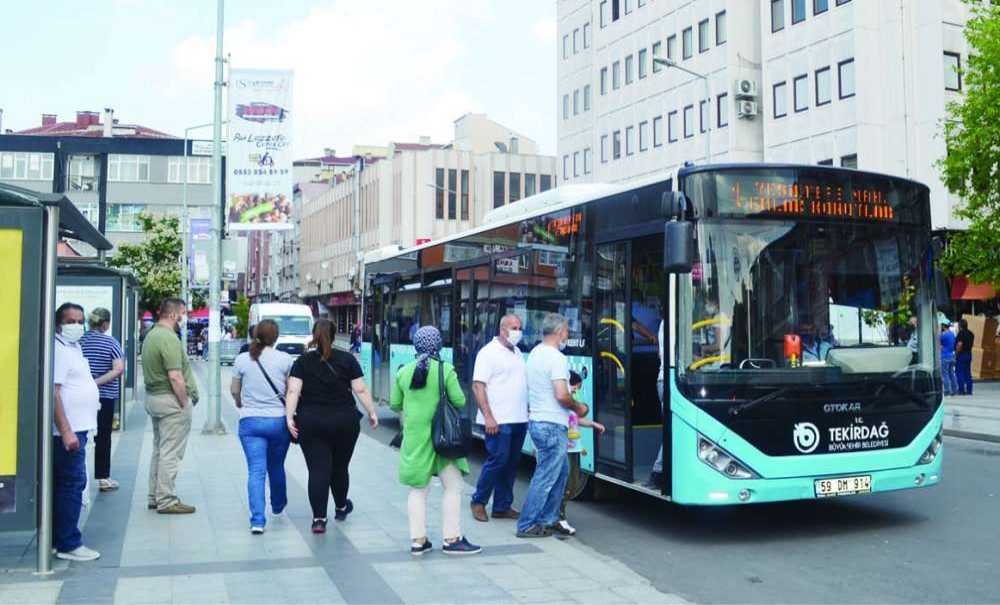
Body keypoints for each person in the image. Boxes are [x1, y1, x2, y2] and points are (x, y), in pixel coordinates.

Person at [390, 326, 481, 556]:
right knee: (453, 487)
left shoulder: (403, 372)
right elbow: (459, 401)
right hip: (443, 438)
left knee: (418, 490)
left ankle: (418, 541)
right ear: (438, 345)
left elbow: (394, 404)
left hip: (415, 439)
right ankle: (452, 539)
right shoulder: (445, 369)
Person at [285, 319, 378, 534]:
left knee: (318, 470)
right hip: (345, 421)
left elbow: (293, 391)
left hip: (311, 421)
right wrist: (372, 412)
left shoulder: (302, 361)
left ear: (314, 335)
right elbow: (360, 389)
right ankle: (341, 506)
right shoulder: (347, 359)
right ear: (335, 335)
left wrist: (289, 417)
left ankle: (319, 519)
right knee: (339, 467)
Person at [516, 313, 589, 538]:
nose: (567, 335)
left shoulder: (536, 353)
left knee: (561, 474)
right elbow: (561, 395)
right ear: (558, 333)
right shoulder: (557, 358)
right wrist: (578, 408)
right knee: (547, 476)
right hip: (551, 424)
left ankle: (550, 518)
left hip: (539, 421)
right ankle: (527, 524)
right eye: (567, 331)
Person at [231, 319, 294, 534]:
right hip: (278, 421)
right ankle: (278, 505)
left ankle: (257, 520)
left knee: (256, 471)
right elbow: (290, 391)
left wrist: (240, 403)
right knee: (276, 466)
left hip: (250, 422)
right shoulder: (285, 360)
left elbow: (234, 390)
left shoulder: (241, 359)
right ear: (276, 337)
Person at [52, 302, 102, 561]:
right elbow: (54, 393)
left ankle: (60, 537)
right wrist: (66, 430)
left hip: (79, 428)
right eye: (70, 321)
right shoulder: (59, 350)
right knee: (72, 484)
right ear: (59, 323)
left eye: (80, 320)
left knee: (68, 484)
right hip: (67, 433)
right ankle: (69, 543)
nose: (76, 325)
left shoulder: (73, 346)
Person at [141, 297, 199, 514]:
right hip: (170, 400)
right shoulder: (168, 338)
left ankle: (154, 495)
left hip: (154, 398)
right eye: (183, 313)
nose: (184, 317)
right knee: (170, 452)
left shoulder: (151, 335)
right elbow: (175, 376)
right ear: (174, 314)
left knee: (159, 449)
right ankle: (166, 499)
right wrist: (184, 402)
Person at [470, 314, 528, 523]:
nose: (518, 331)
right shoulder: (488, 353)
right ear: (502, 329)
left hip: (519, 419)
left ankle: (502, 506)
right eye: (514, 327)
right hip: (498, 420)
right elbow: (478, 385)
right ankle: (478, 501)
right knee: (497, 460)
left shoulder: (518, 352)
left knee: (511, 464)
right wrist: (488, 417)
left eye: (520, 327)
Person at [79, 307, 125, 493]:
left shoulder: (80, 342)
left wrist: (87, 383)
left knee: (80, 434)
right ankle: (103, 478)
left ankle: (79, 476)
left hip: (81, 396)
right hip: (104, 397)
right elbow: (118, 369)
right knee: (103, 436)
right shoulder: (111, 343)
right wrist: (96, 382)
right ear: (105, 323)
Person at [558, 371, 605, 536]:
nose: (575, 390)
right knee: (568, 483)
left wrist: (593, 424)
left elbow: (576, 420)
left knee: (575, 483)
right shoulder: (559, 402)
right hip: (564, 448)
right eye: (574, 387)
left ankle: (558, 514)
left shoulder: (572, 403)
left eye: (577, 388)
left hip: (574, 447)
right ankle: (559, 516)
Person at [648, 319, 666, 487]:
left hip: (664, 381)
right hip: (668, 380)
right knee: (672, 430)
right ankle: (658, 472)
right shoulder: (671, 321)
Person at [956, 318, 975, 395]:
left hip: (962, 354)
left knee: (960, 372)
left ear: (960, 326)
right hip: (969, 354)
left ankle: (961, 390)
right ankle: (969, 390)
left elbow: (960, 344)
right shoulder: (971, 334)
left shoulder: (961, 333)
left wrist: (956, 353)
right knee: (968, 372)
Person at [940, 318, 958, 397]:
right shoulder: (952, 334)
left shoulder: (943, 335)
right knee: (952, 374)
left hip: (944, 356)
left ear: (944, 326)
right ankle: (955, 389)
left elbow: (937, 341)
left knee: (945, 374)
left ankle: (947, 390)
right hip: (952, 356)